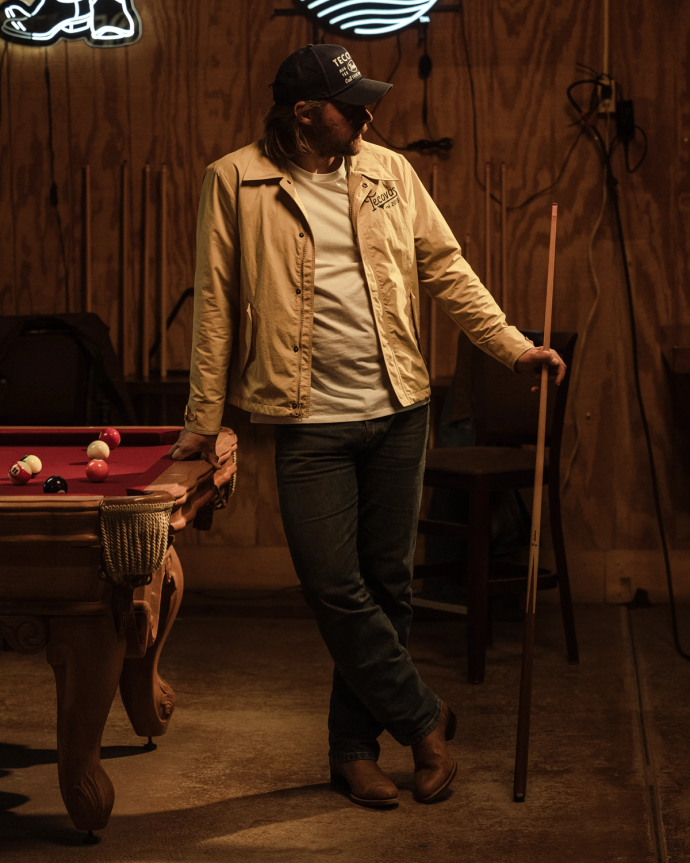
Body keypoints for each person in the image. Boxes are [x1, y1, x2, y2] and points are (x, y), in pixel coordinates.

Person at [169, 44, 566, 808]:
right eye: (352, 105)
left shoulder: (389, 172)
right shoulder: (236, 180)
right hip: (305, 418)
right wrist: (202, 418)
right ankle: (422, 717)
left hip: (398, 411)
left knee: (387, 585)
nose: (369, 115)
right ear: (304, 113)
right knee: (331, 584)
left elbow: (446, 268)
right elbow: (215, 305)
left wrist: (513, 347)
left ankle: (352, 749)